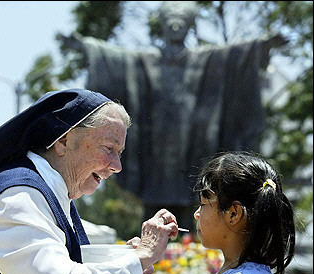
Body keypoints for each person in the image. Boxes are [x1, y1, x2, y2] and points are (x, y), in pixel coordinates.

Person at [57, 1, 288, 230]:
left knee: (193, 189)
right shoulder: (146, 60)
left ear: (190, 26)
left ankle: (188, 246)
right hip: (155, 143)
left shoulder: (203, 59)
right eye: (170, 21)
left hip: (191, 141)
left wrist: (261, 46)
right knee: (152, 198)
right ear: (162, 24)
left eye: (182, 21)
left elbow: (232, 56)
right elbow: (115, 57)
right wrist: (87, 46)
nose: (176, 26)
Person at [0, 88, 179, 274]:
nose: (117, 166)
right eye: (109, 149)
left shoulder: (50, 194)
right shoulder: (18, 195)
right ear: (63, 141)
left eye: (120, 153)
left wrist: (126, 259)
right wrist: (141, 258)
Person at [192, 151, 295, 274]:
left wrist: (155, 255)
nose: (196, 214)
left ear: (233, 214)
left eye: (203, 204)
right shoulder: (254, 273)